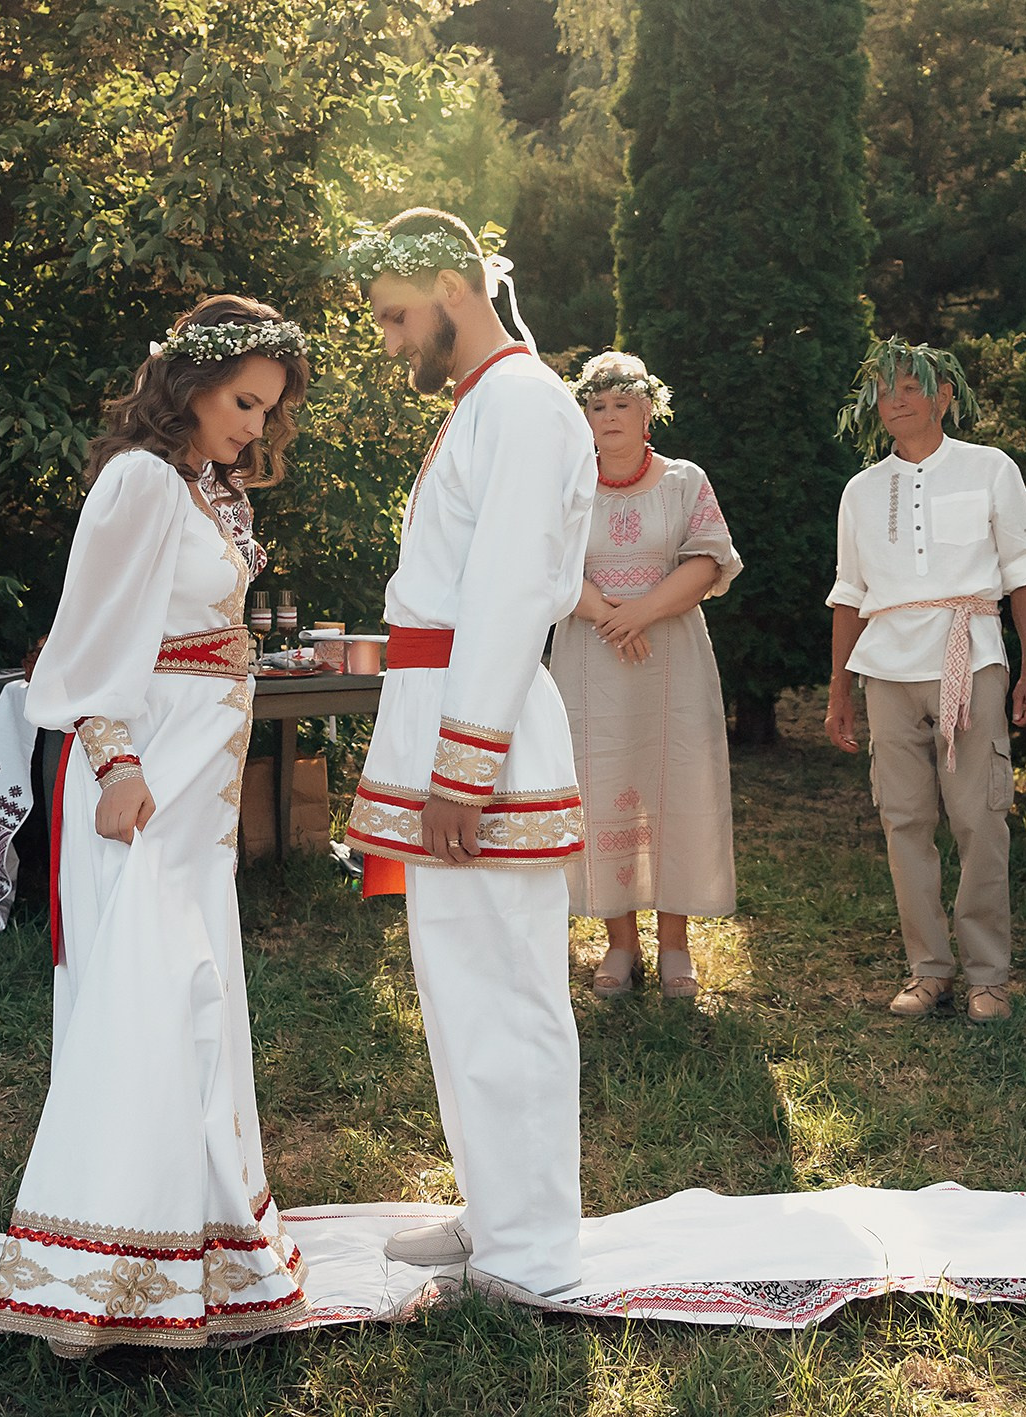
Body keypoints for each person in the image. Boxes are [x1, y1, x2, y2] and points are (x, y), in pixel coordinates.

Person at [0, 296, 311, 1352]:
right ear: (192, 383)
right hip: (147, 781)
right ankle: (100, 1271)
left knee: (196, 1007)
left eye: (267, 408)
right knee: (153, 999)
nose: (256, 425)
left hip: (199, 791)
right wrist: (115, 763)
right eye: (244, 401)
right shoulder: (138, 481)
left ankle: (196, 1248)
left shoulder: (206, 488)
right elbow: (81, 643)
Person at [341, 208, 595, 1298]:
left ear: (452, 285)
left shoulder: (526, 403)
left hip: (478, 734)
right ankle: (498, 1211)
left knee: (508, 991)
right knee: (458, 988)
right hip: (439, 710)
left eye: (396, 315)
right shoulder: (482, 402)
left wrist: (463, 768)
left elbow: (506, 594)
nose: (390, 340)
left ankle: (530, 1252)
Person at [824, 337, 1026, 1023]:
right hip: (886, 669)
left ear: (943, 396)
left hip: (970, 656)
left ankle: (988, 976)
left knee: (979, 818)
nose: (894, 400)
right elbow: (848, 592)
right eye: (884, 390)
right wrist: (838, 689)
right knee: (904, 820)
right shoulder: (862, 489)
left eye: (909, 388)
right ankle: (928, 970)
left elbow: (1023, 573)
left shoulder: (990, 468)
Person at [553, 351, 743, 1000]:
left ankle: (676, 944)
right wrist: (610, 616)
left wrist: (643, 612)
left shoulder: (684, 481)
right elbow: (547, 564)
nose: (608, 416)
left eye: (621, 404)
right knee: (600, 781)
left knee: (675, 781)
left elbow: (708, 560)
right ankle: (620, 942)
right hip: (590, 656)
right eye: (596, 406)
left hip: (671, 660)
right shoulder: (567, 486)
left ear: (648, 413)